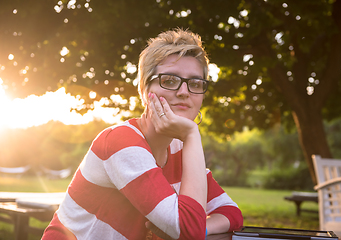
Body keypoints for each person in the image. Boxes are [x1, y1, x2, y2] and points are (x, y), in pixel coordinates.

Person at [42, 28, 243, 240]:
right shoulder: (120, 141)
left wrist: (202, 228)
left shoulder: (181, 149)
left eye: (195, 83)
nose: (184, 92)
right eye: (170, 80)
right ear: (146, 91)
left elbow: (231, 213)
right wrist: (192, 133)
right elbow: (187, 230)